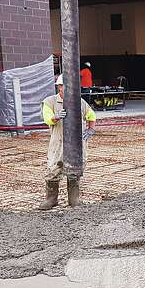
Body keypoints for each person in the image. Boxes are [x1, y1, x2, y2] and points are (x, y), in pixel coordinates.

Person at [38, 74, 96, 210]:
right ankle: (51, 199)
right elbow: (47, 118)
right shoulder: (50, 102)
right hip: (58, 143)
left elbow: (91, 115)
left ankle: (74, 199)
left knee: (74, 170)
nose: (69, 90)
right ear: (59, 87)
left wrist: (91, 129)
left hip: (76, 144)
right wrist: (55, 117)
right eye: (65, 86)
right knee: (53, 169)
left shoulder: (80, 102)